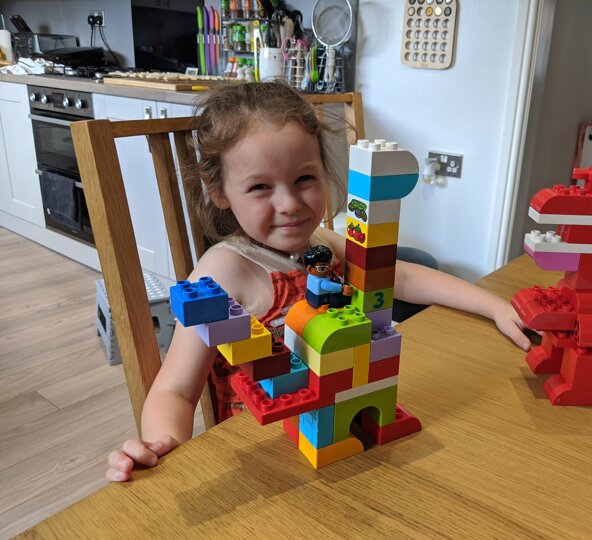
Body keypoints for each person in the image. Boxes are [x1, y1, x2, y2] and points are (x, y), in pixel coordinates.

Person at [106, 82, 532, 482]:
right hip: (269, 461)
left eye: (304, 179)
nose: (290, 204)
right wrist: (161, 447)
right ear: (219, 192)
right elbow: (176, 391)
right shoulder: (221, 273)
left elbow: (398, 274)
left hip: (348, 433)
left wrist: (493, 305)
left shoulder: (323, 244)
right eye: (260, 187)